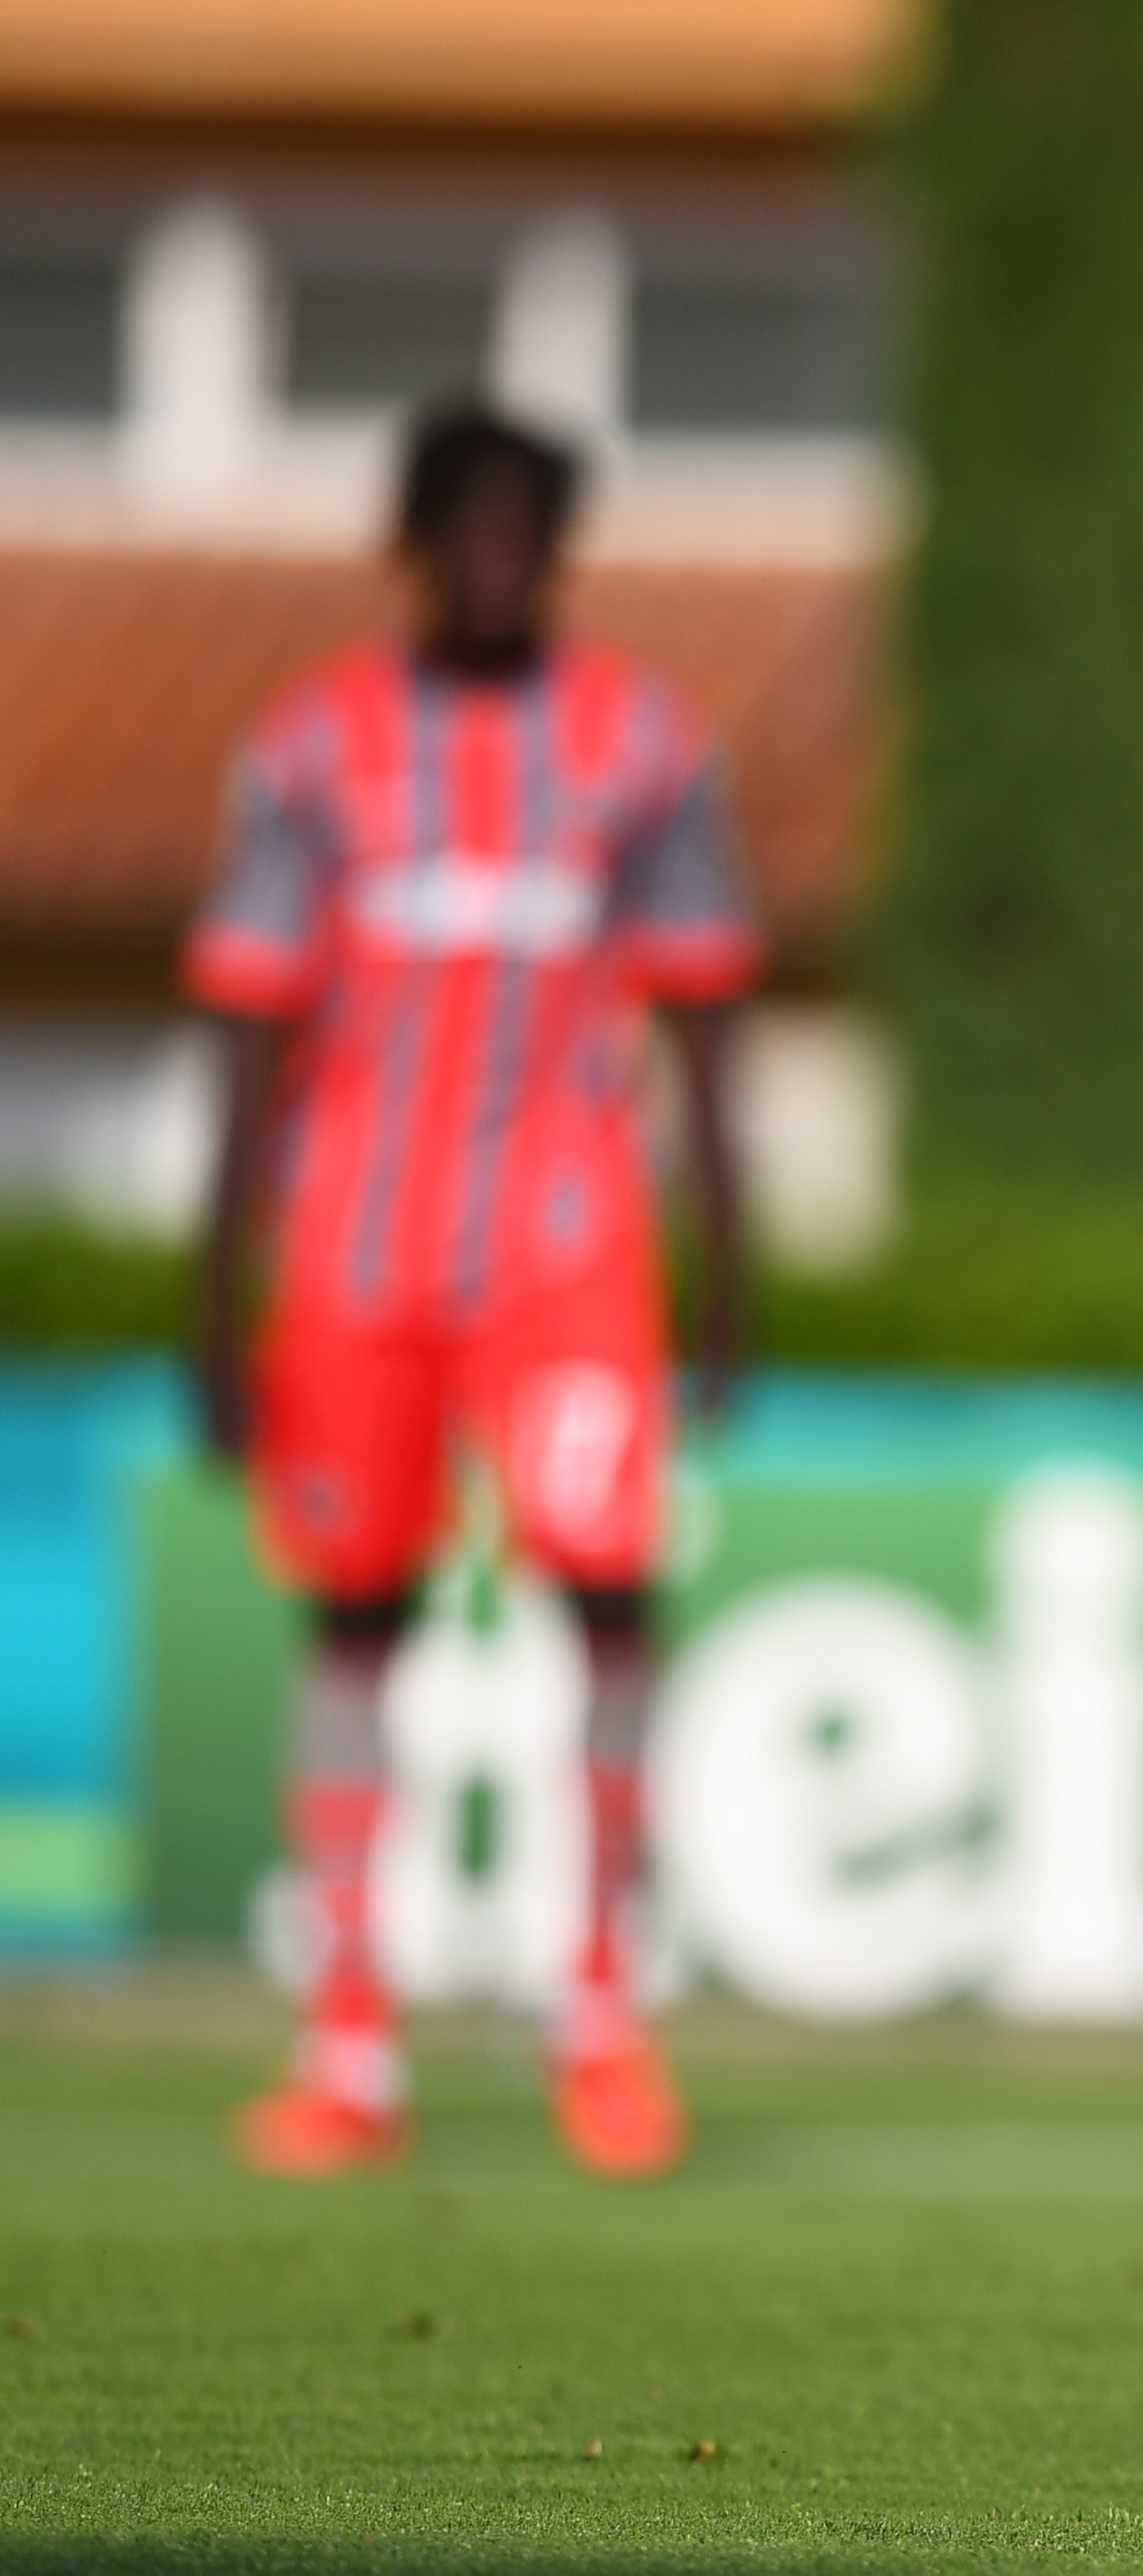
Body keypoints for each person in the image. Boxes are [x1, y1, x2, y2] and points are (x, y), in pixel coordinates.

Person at [188, 401, 757, 2184]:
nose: (501, 560)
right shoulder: (312, 748)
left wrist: (731, 1271)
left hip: (569, 1253)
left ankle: (601, 2019)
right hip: (354, 1257)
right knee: (359, 1614)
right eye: (471, 528)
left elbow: (710, 1008)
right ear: (415, 545)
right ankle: (347, 2038)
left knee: (610, 1598)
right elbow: (247, 1020)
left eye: (531, 531)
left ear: (561, 552)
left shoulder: (644, 742)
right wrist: (213, 1294)